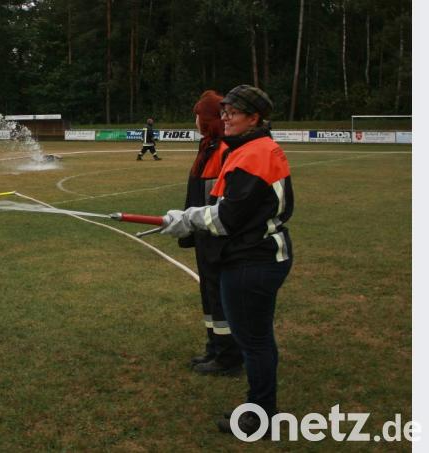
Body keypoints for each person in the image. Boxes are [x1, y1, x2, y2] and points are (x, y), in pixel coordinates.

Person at [159, 85, 293, 437]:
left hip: (252, 260)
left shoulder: (255, 153)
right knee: (257, 339)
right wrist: (190, 216)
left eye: (233, 113)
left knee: (255, 342)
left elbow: (226, 219)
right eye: (225, 112)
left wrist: (185, 219)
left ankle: (260, 417)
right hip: (253, 257)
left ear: (254, 118)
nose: (226, 118)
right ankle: (261, 410)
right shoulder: (249, 148)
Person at [181, 90, 243, 376]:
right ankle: (214, 347)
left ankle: (229, 356)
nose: (195, 121)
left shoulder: (224, 151)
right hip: (203, 235)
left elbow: (219, 202)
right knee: (208, 292)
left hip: (218, 237)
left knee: (220, 295)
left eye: (198, 116)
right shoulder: (207, 147)